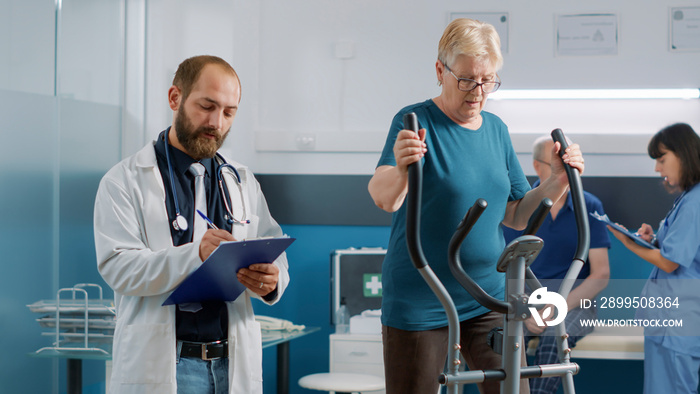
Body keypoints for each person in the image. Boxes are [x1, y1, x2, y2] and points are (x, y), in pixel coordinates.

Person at [367, 18, 585, 394]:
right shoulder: (417, 122)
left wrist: (557, 180)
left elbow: (516, 214)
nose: (478, 91)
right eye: (467, 79)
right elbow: (383, 196)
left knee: (513, 387)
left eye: (488, 80)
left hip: (488, 296)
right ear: (440, 70)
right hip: (424, 298)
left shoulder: (496, 130)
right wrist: (404, 169)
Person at [94, 55, 289, 394]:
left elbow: (273, 246)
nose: (217, 122)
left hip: (232, 364)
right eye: (207, 106)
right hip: (167, 365)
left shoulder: (241, 180)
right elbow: (117, 267)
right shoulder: (123, 180)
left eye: (229, 112)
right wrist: (195, 255)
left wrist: (272, 280)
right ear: (175, 98)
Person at [502, 135, 611, 394]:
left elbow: (601, 273)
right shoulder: (521, 207)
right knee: (507, 339)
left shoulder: (589, 205)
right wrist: (527, 309)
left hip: (574, 302)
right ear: (537, 166)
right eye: (556, 166)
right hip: (527, 299)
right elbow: (507, 267)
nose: (564, 174)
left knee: (554, 338)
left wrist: (558, 306)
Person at [608, 123, 700, 394]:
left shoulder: (695, 202)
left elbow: (670, 262)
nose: (658, 169)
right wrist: (653, 240)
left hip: (676, 325)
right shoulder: (688, 199)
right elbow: (683, 251)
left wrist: (627, 243)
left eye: (662, 159)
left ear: (684, 155)